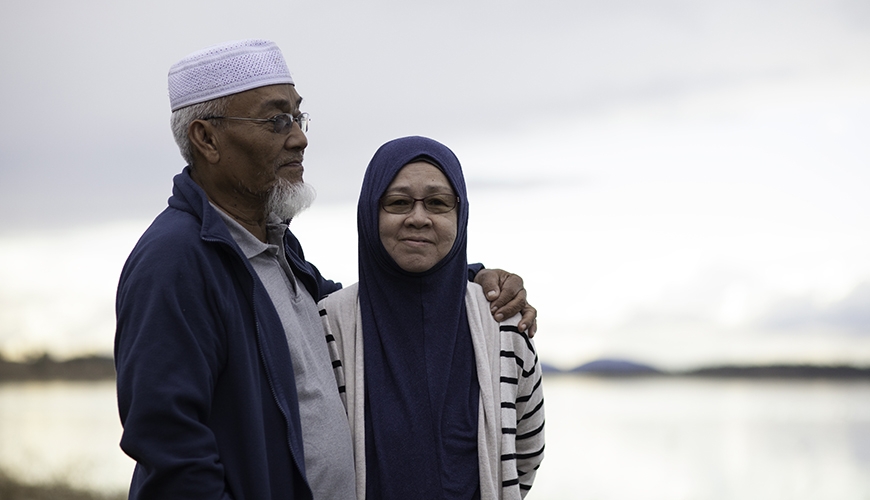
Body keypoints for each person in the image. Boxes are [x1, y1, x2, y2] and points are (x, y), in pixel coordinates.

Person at [114, 39, 537, 500]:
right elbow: (172, 452)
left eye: (298, 117)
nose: (299, 137)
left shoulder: (278, 255)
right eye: (276, 120)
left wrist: (464, 277)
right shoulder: (176, 260)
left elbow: (382, 298)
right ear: (207, 139)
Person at [318, 136, 545, 499]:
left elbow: (525, 457)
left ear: (461, 215)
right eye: (398, 203)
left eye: (438, 203)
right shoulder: (328, 324)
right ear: (368, 213)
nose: (418, 218)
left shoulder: (503, 325)